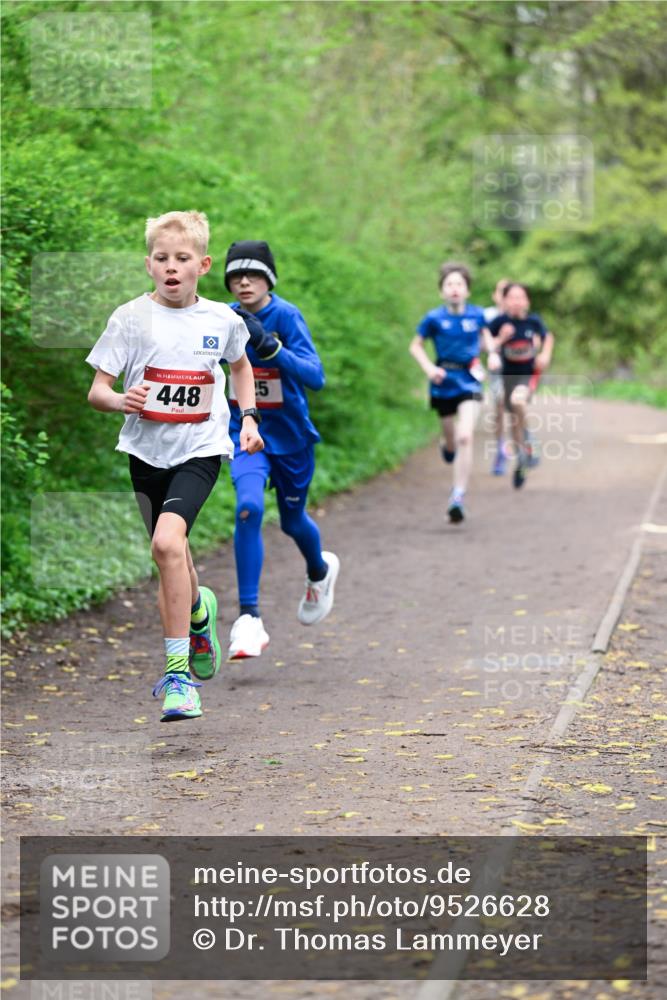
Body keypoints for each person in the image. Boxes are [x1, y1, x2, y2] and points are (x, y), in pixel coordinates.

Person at [86, 211, 263, 722]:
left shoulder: (222, 320)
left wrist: (247, 417)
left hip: (201, 448)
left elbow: (241, 367)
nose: (171, 267)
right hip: (145, 451)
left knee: (165, 543)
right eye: (161, 258)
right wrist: (121, 400)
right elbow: (97, 390)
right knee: (173, 555)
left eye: (182, 259)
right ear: (148, 264)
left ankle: (179, 678)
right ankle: (199, 612)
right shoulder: (129, 319)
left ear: (202, 265)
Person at [222, 239, 339, 660]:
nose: (244, 282)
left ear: (268, 278)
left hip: (290, 438)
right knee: (248, 507)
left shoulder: (286, 316)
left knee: (292, 521)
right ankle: (249, 618)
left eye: (253, 274)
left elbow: (315, 376)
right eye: (235, 275)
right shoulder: (224, 319)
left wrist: (272, 348)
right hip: (246, 433)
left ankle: (319, 571)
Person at [409, 262, 488, 523]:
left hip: (470, 380)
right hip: (443, 380)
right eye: (449, 285)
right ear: (442, 291)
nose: (454, 289)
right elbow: (416, 346)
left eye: (459, 284)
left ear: (467, 290)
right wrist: (429, 368)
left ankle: (457, 496)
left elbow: (488, 343)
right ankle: (448, 444)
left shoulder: (477, 316)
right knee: (452, 439)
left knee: (466, 436)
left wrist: (493, 356)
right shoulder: (433, 318)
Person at [485, 282, 554, 489]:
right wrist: (498, 342)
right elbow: (486, 340)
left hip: (528, 376)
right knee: (514, 420)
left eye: (520, 297)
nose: (516, 302)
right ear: (504, 301)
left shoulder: (534, 321)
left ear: (527, 301)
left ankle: (527, 441)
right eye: (511, 297)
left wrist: (545, 354)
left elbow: (548, 337)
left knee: (518, 401)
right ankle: (521, 458)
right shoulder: (499, 322)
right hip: (506, 376)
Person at [484, 278, 511, 475]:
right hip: (497, 369)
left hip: (519, 370)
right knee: (500, 407)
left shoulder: (520, 316)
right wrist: (501, 339)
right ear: (495, 296)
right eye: (502, 292)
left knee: (518, 406)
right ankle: (501, 450)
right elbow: (483, 345)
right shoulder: (487, 316)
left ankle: (523, 440)